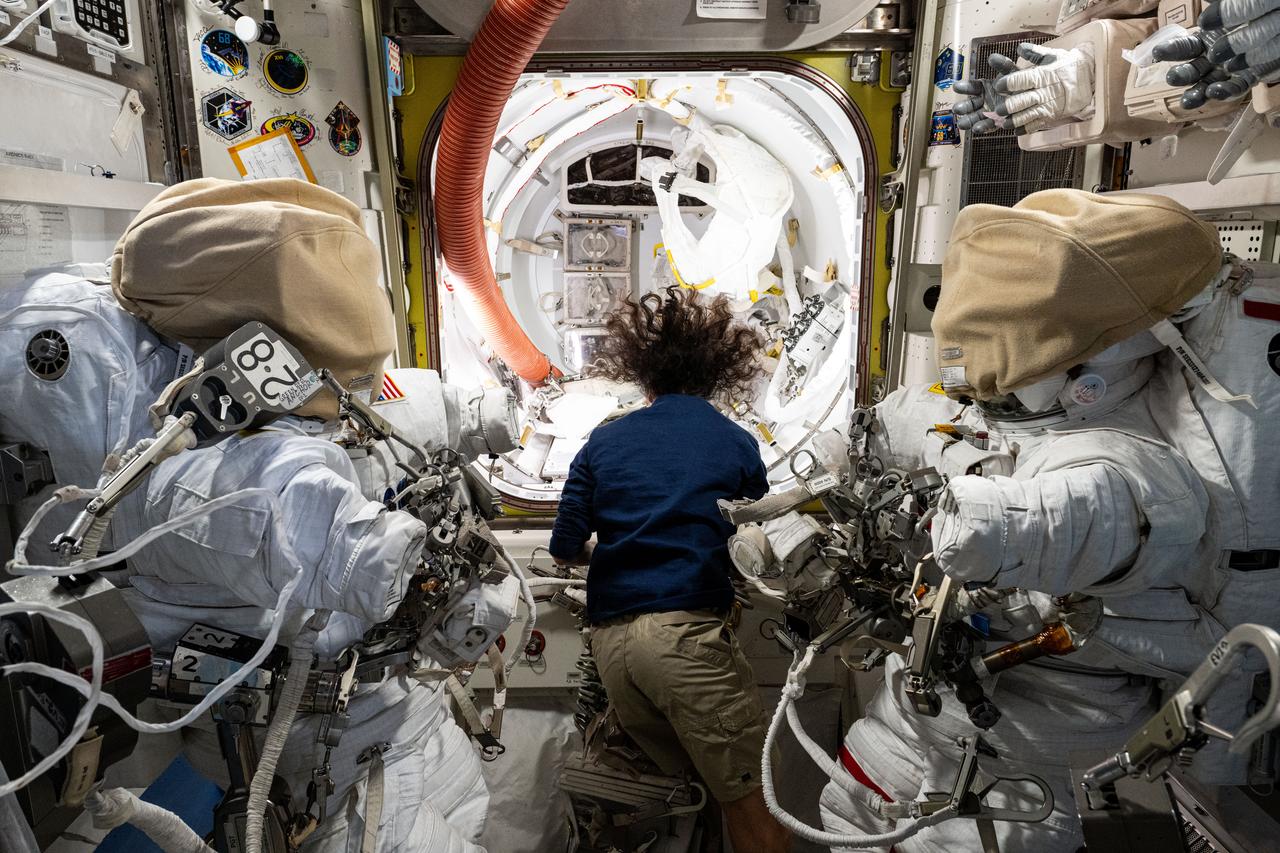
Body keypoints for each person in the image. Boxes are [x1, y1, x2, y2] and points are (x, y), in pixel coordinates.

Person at [1, 178, 516, 852]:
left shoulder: (318, 427)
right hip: (327, 757)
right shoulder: (196, 461)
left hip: (381, 727)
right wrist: (366, 555)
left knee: (453, 809)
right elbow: (278, 513)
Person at [817, 189, 1236, 851]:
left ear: (1091, 368)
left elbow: (1089, 515)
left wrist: (991, 522)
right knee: (840, 824)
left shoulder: (1125, 465)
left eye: (1004, 384)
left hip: (1008, 777)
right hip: (904, 726)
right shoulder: (992, 424)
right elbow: (897, 430)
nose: (986, 399)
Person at [548, 286, 792, 853]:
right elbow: (752, 535)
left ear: (644, 376)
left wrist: (623, 546)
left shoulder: (602, 441)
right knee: (754, 799)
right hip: (685, 643)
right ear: (716, 375)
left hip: (613, 651)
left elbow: (563, 548)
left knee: (683, 797)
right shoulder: (735, 442)